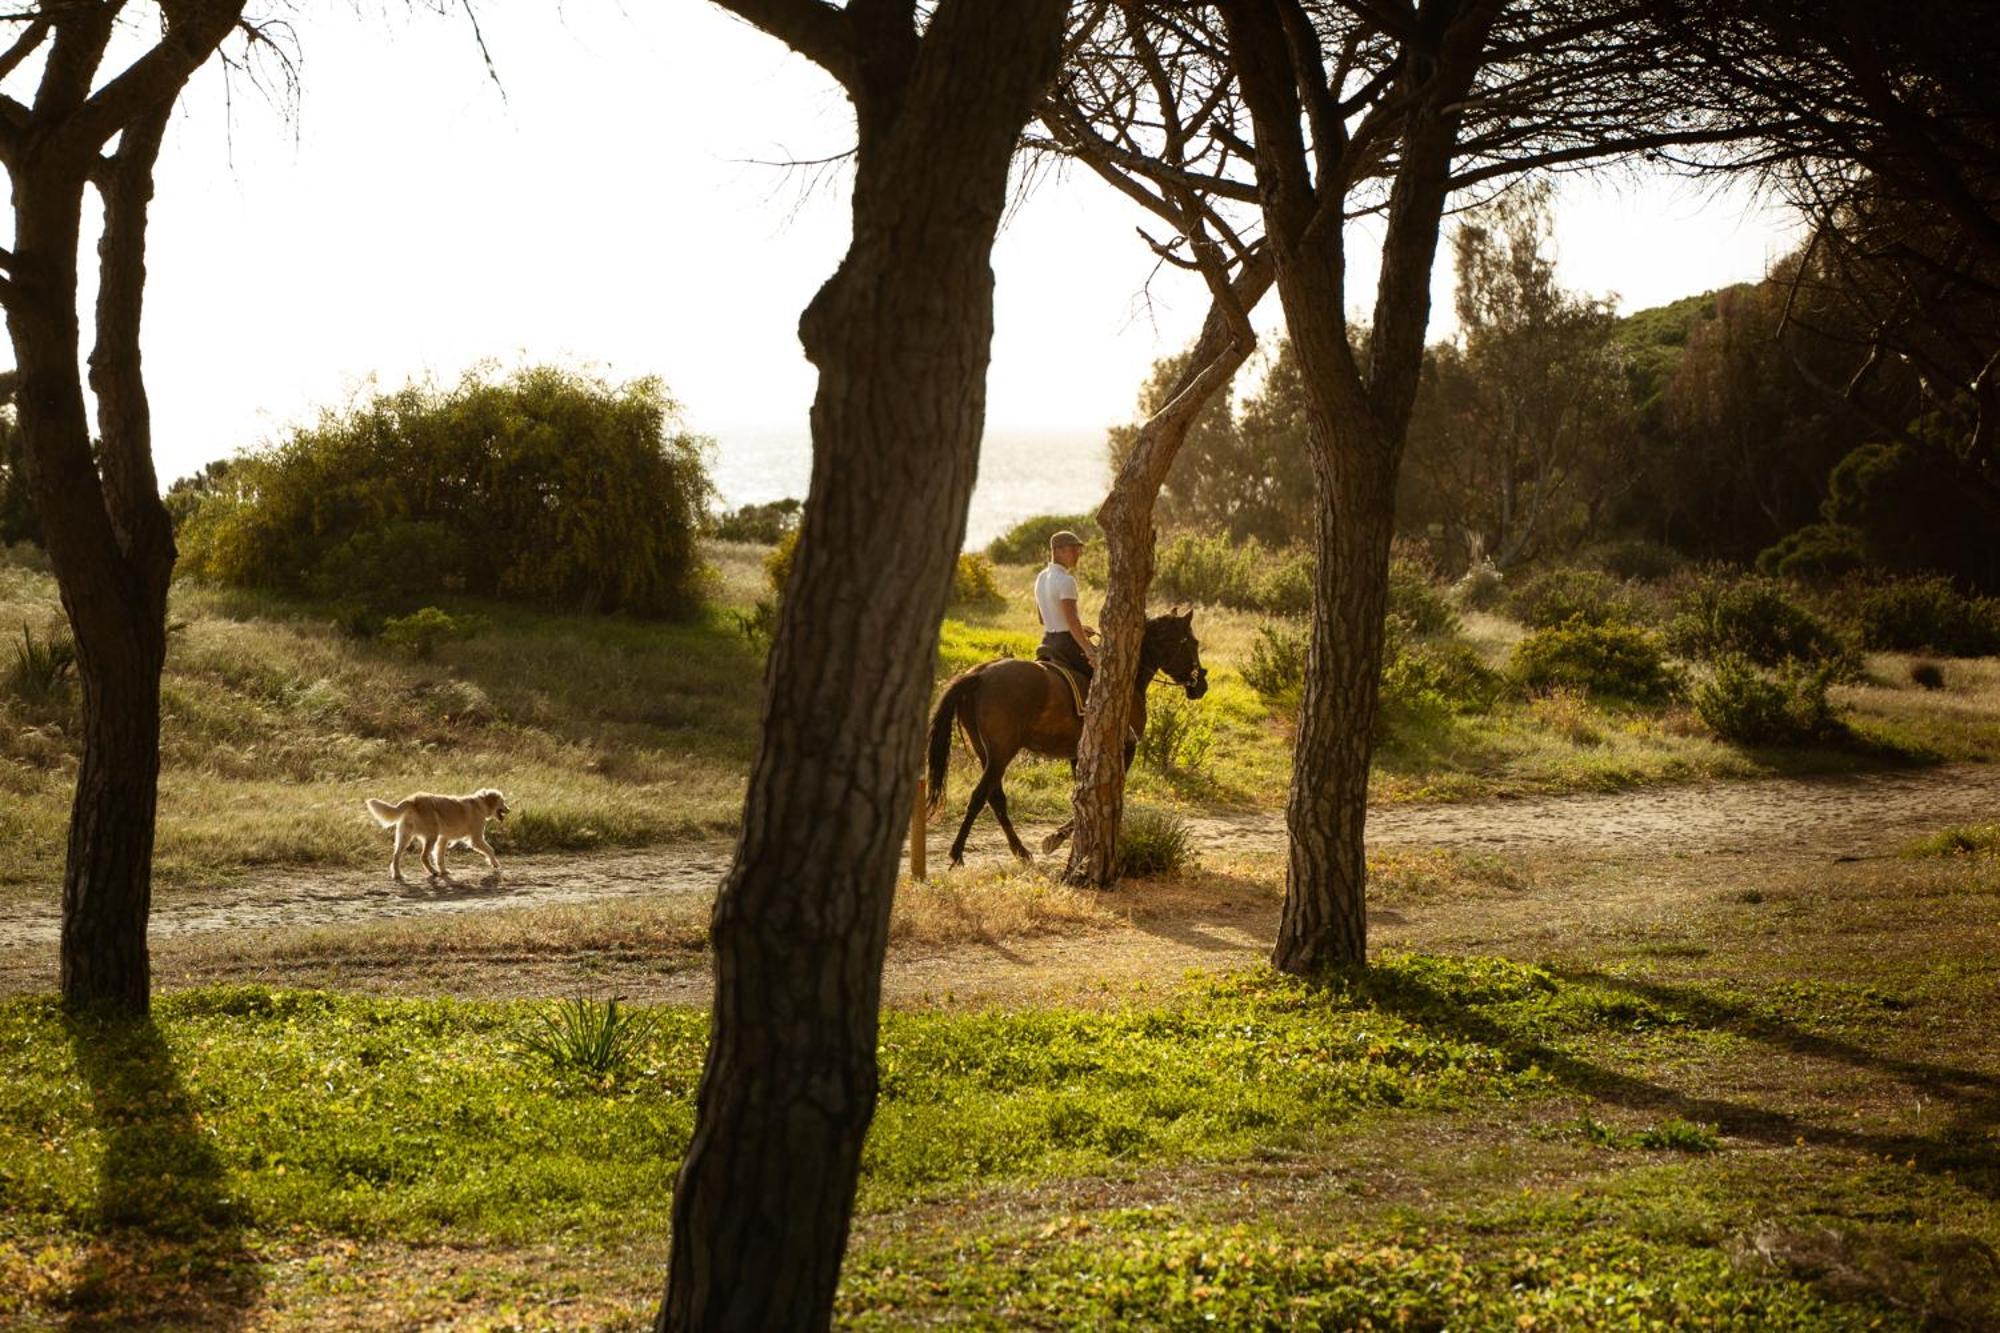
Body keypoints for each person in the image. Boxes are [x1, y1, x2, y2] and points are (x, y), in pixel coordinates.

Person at [1034, 529, 1097, 680]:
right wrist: (1089, 651)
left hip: (1048, 641)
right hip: (1067, 645)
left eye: (1078, 550)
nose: (1077, 555)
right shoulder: (1066, 580)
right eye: (1072, 550)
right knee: (1106, 674)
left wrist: (1080, 629)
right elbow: (1072, 619)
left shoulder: (1041, 577)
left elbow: (1043, 619)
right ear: (1057, 551)